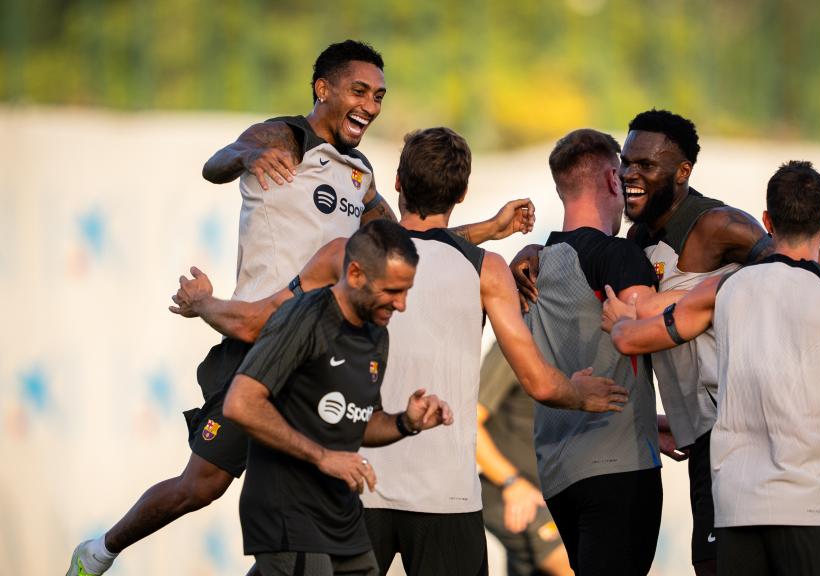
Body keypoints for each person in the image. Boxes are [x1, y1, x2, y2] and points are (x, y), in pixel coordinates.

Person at [67, 41, 531, 576]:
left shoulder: (360, 175)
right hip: (259, 342)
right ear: (323, 89)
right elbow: (215, 163)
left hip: (319, 351)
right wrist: (246, 156)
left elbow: (406, 240)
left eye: (379, 95)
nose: (371, 105)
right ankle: (101, 550)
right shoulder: (284, 136)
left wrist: (486, 233)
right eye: (360, 91)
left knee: (307, 510)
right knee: (203, 485)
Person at [168, 127, 628, 575]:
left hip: (355, 489)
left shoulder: (345, 254)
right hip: (447, 499)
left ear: (398, 184)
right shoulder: (487, 270)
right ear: (462, 194)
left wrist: (203, 303)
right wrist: (581, 392)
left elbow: (259, 322)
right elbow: (538, 382)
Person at [514, 109, 820, 575]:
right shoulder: (634, 241)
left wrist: (819, 270)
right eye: (626, 163)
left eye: (646, 165)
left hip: (735, 433)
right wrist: (532, 251)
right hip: (700, 440)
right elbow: (588, 254)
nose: (631, 174)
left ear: (682, 172)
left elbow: (781, 273)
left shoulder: (718, 225)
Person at [604, 160, 820, 575]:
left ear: (766, 221)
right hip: (813, 508)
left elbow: (640, 335)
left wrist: (619, 322)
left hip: (736, 511)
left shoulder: (724, 288)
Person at [222, 219, 453, 576]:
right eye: (393, 291)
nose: (402, 304)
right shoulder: (304, 317)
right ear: (356, 273)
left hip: (341, 518)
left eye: (406, 291)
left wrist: (406, 422)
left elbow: (361, 423)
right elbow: (241, 402)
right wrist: (322, 456)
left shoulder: (377, 333)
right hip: (289, 515)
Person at [524, 129, 662, 575]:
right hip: (619, 466)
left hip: (558, 474)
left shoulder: (533, 263)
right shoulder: (618, 255)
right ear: (610, 179)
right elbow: (655, 328)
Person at [476, 345, 572, 576]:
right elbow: (468, 423)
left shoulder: (573, 348)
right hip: (514, 496)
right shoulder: (516, 345)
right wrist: (512, 482)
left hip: (552, 500)